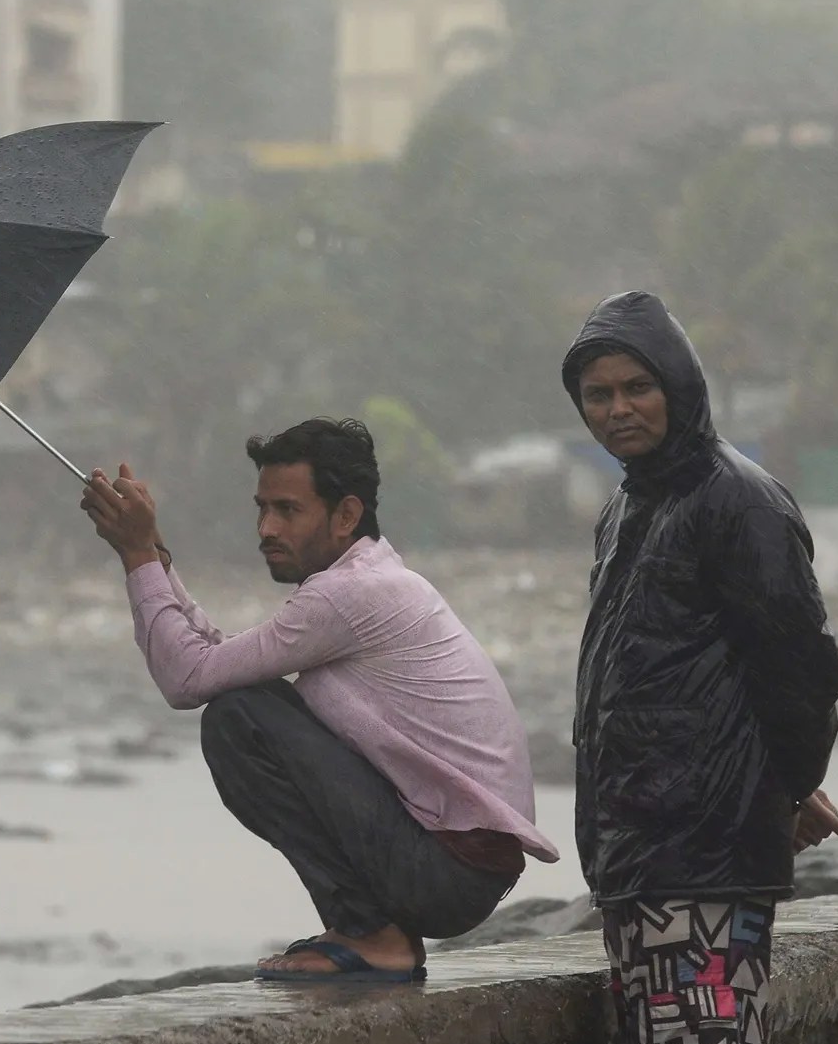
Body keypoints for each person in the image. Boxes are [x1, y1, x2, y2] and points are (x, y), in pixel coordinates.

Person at [78, 417, 557, 983]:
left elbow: (188, 678)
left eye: (287, 510)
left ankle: (370, 932)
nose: (266, 528)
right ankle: (370, 929)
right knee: (244, 697)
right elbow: (219, 662)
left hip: (446, 873)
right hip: (446, 861)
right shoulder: (366, 580)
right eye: (262, 508)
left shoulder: (350, 595)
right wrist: (153, 555)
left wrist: (137, 556)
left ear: (346, 515)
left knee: (238, 718)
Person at [563, 292, 838, 1044]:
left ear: (680, 386)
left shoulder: (740, 503)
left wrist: (787, 789)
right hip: (640, 862)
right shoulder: (627, 508)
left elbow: (800, 670)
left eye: (636, 388)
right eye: (598, 395)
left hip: (707, 865)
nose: (618, 410)